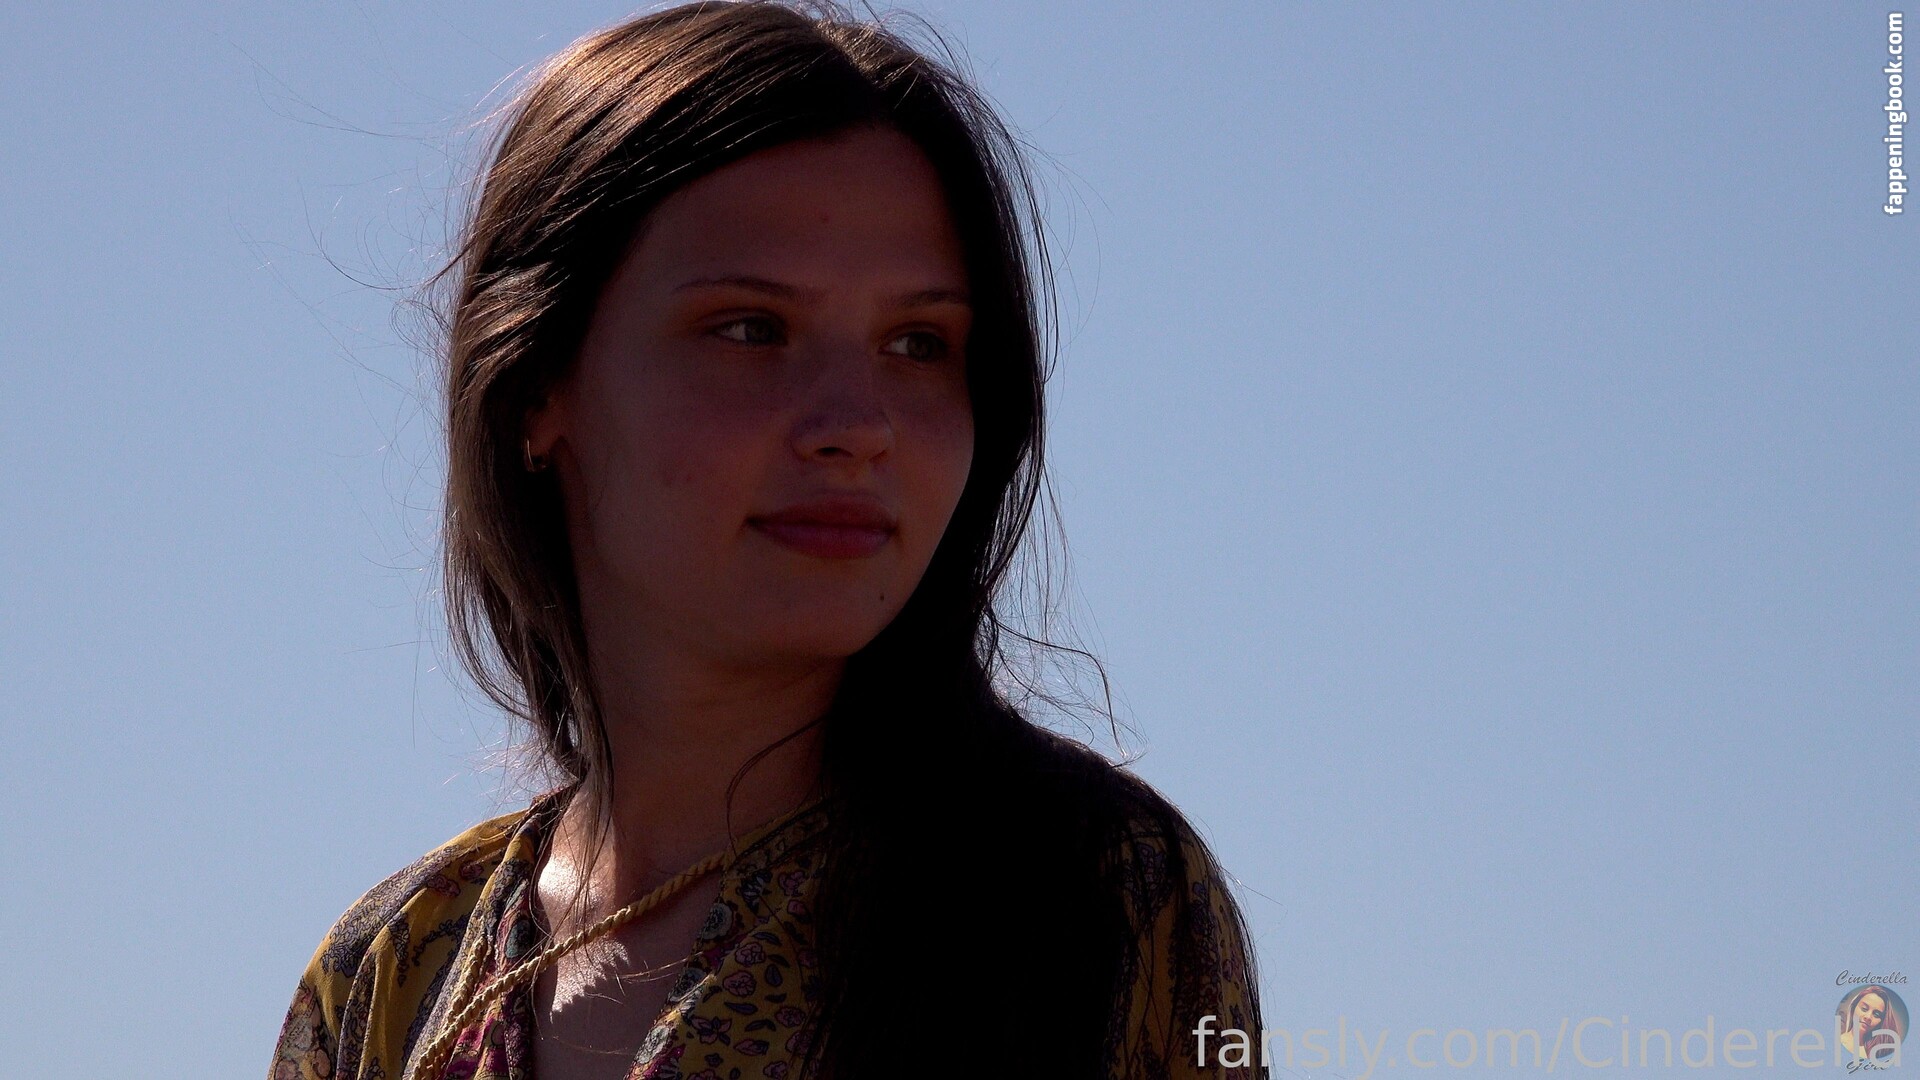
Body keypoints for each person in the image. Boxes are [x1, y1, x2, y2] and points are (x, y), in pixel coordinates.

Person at [268, 3, 1266, 1078]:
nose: (857, 426)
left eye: (919, 343)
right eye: (751, 329)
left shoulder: (1093, 898)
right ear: (536, 388)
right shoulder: (393, 973)